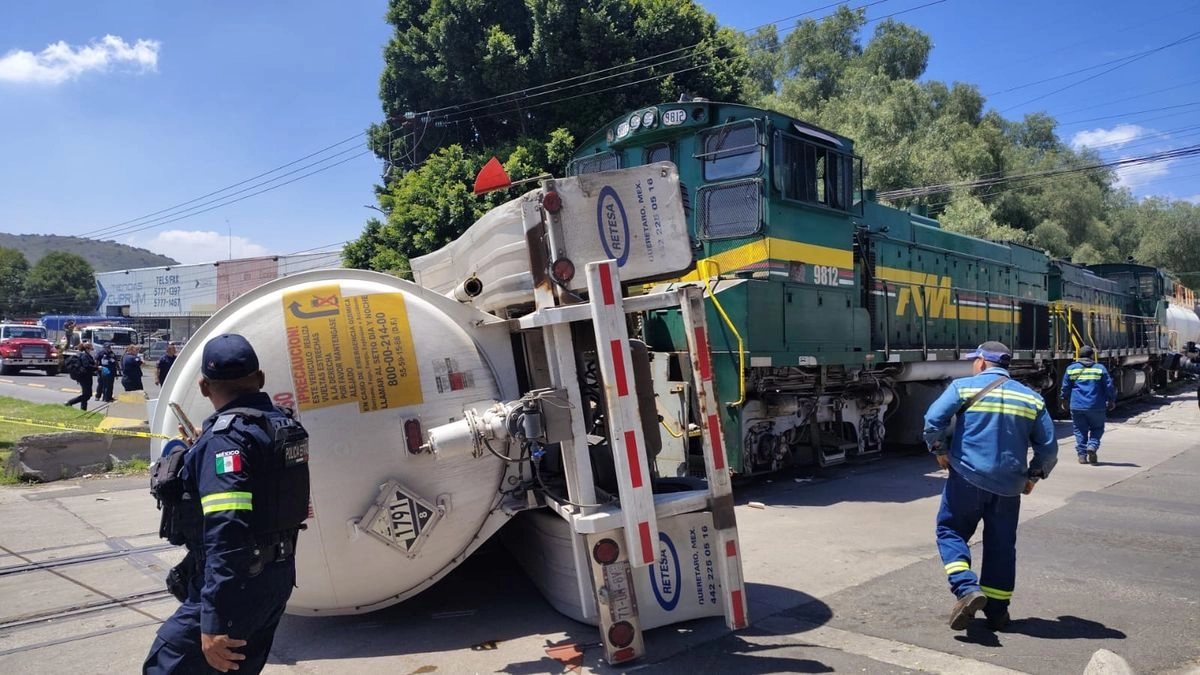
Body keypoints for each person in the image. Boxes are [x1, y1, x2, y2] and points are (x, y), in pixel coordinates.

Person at [144, 334, 310, 675]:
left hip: (236, 585)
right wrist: (202, 451)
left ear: (205, 387)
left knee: (164, 666)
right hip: (275, 577)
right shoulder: (283, 424)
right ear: (260, 379)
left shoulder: (225, 440)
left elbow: (227, 529)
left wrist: (214, 620)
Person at [924, 341, 1058, 632]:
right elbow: (1048, 450)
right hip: (1009, 487)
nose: (973, 364)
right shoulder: (1032, 399)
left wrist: (939, 449)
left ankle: (966, 588)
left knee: (950, 531)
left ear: (982, 363)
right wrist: (1033, 476)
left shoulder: (963, 388)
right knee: (1001, 545)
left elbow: (933, 420)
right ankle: (997, 613)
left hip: (967, 479)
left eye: (975, 360)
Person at [1059, 345, 1116, 465]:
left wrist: (1064, 400)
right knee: (1097, 428)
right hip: (1096, 406)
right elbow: (1108, 386)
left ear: (1079, 355)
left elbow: (1065, 387)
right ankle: (1092, 446)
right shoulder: (1100, 368)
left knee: (1079, 431)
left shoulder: (1071, 368)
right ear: (1091, 356)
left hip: (1077, 406)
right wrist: (1111, 400)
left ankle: (1082, 456)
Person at [64, 342, 97, 410]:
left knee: (85, 394)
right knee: (87, 395)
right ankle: (70, 402)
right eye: (90, 346)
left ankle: (83, 409)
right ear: (87, 348)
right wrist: (97, 368)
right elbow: (87, 366)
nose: (92, 348)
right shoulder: (84, 355)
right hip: (84, 377)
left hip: (87, 377)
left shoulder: (86, 355)